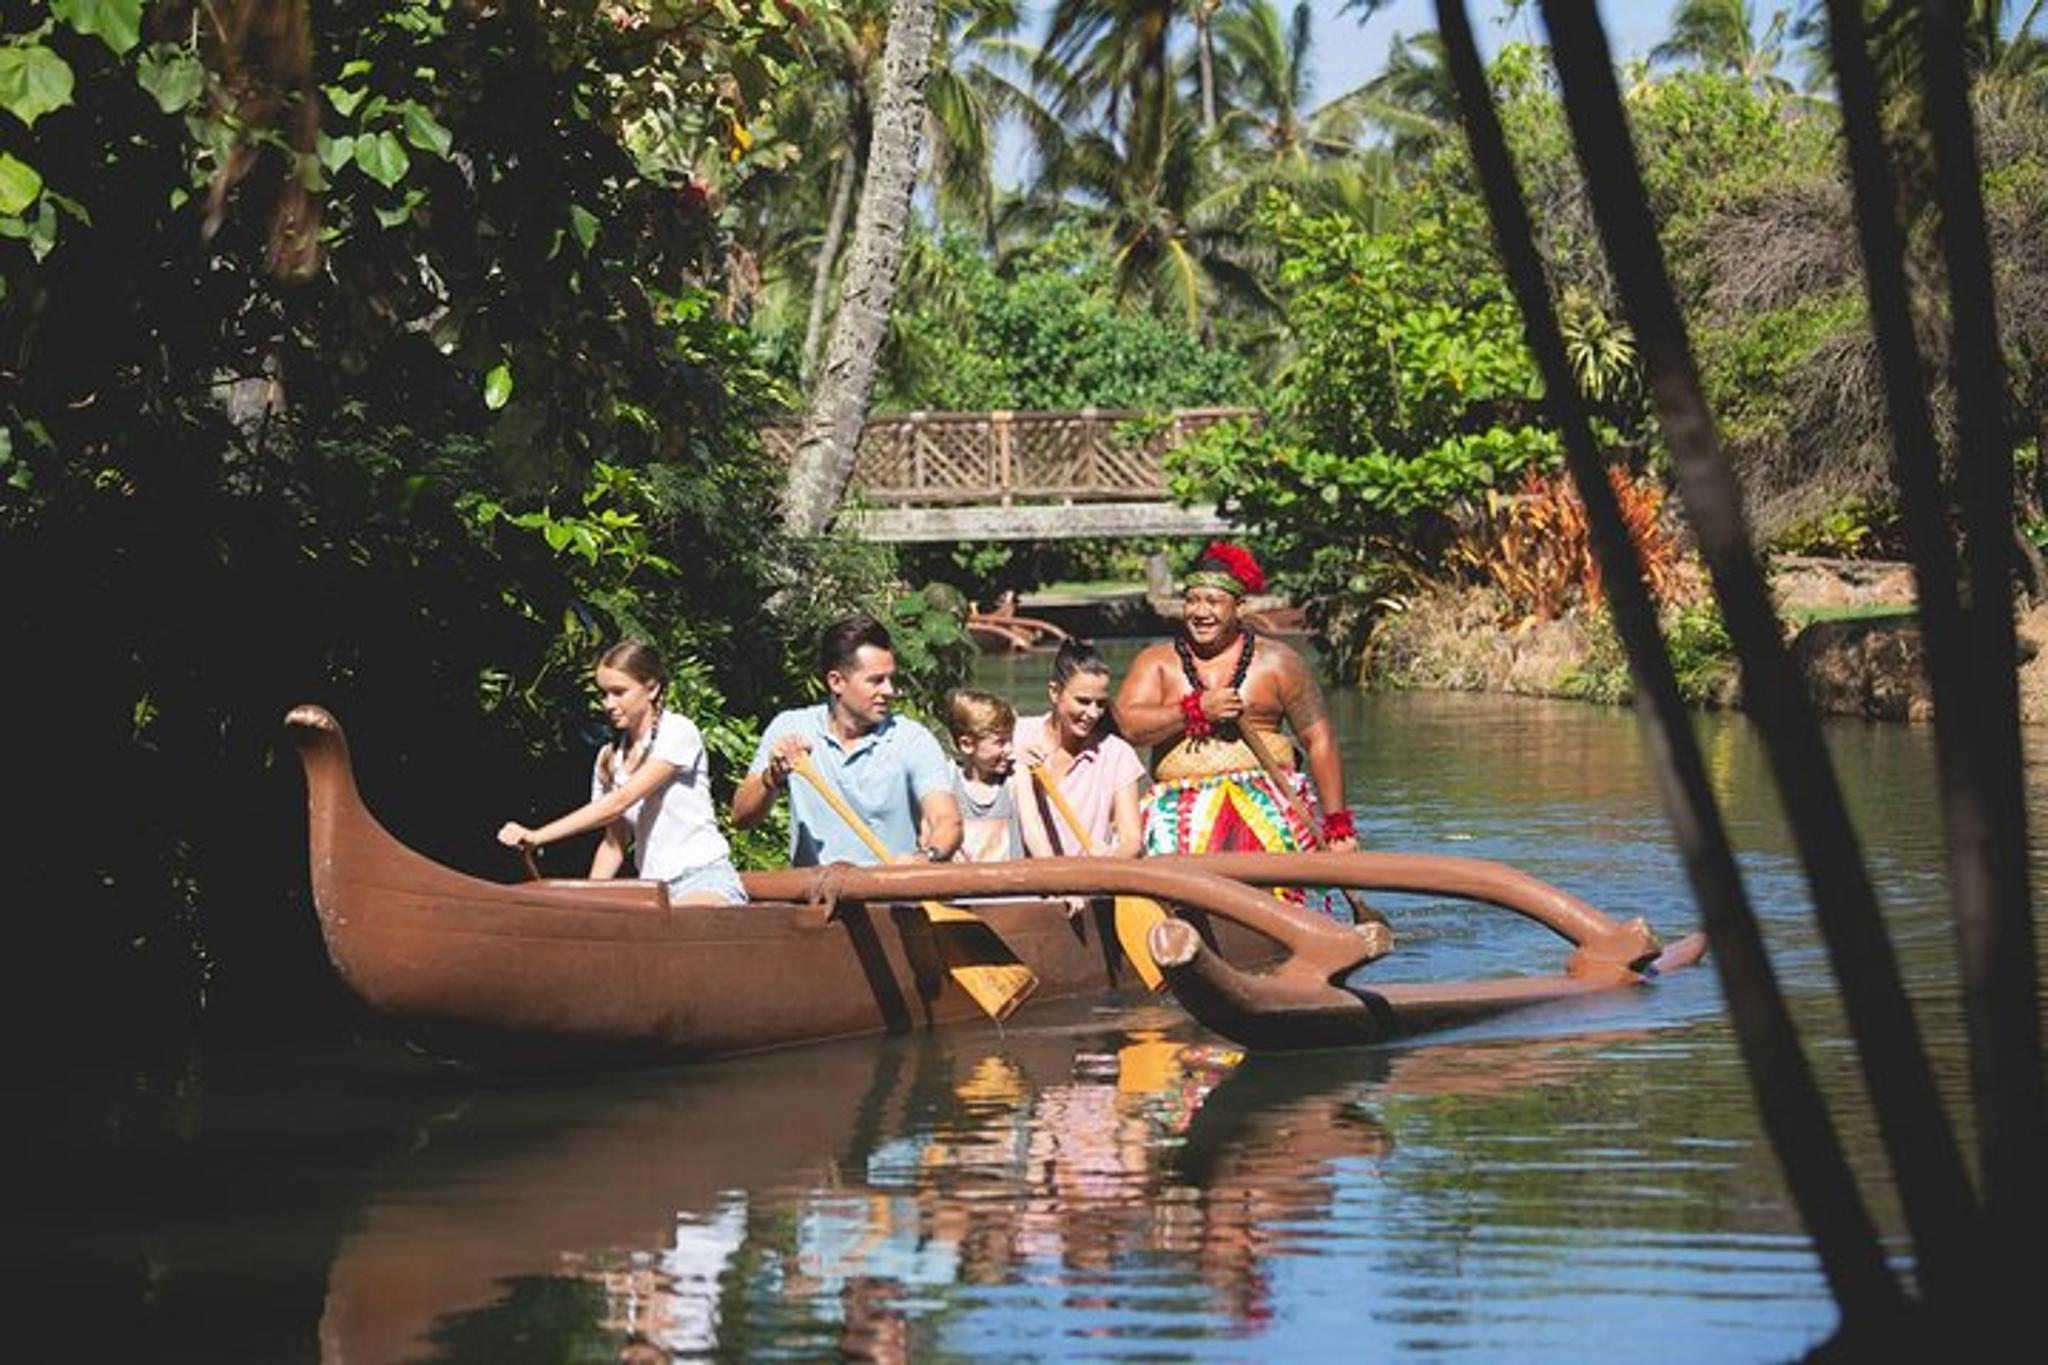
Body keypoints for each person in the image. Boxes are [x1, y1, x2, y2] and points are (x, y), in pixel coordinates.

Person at [1113, 541, 1358, 867]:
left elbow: (1319, 739)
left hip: (1269, 807)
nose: (1200, 612)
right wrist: (1194, 710)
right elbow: (1126, 726)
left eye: (1213, 601)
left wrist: (1337, 826)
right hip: (1177, 814)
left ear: (1239, 606)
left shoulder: (1278, 662)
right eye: (1192, 601)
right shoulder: (1156, 662)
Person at [497, 640, 748, 904]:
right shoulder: (608, 758)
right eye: (603, 694)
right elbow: (613, 845)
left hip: (704, 881)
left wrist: (537, 836)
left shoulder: (678, 732)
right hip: (653, 891)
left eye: (619, 692)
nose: (608, 704)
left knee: (668, 931)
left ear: (651, 689)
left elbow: (619, 802)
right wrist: (588, 904)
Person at [731, 614, 963, 866]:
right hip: (817, 900)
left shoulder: (912, 739)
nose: (889, 691)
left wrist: (926, 858)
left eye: (890, 679)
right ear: (836, 682)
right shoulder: (790, 728)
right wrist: (772, 778)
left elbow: (947, 821)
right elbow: (741, 818)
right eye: (876, 681)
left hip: (892, 896)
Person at [1013, 638, 1145, 858]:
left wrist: (1110, 859)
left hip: (1090, 882)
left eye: (1100, 703)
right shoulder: (1018, 736)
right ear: (1055, 692)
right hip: (1026, 883)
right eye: (1083, 701)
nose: (1093, 713)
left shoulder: (1117, 754)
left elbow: (1132, 840)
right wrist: (1014, 763)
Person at [944, 689, 1029, 862]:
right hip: (961, 885)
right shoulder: (947, 779)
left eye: (1010, 740)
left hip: (1010, 885)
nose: (1009, 749)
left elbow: (1033, 831)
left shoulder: (1014, 778)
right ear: (967, 744)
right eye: (1000, 742)